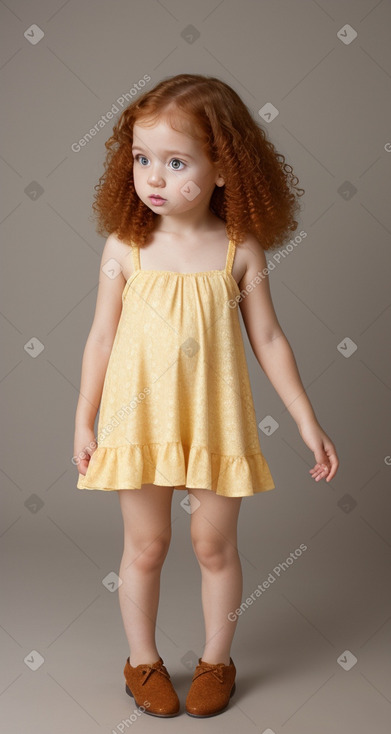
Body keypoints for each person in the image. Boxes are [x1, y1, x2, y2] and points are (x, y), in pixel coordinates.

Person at [73, 73, 339, 718]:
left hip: (215, 423)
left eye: (175, 161)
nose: (154, 178)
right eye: (141, 160)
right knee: (146, 547)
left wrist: (307, 420)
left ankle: (217, 662)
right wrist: (83, 420)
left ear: (223, 169)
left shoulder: (239, 250)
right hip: (139, 423)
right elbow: (102, 338)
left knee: (214, 547)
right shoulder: (126, 247)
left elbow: (269, 338)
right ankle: (142, 662)